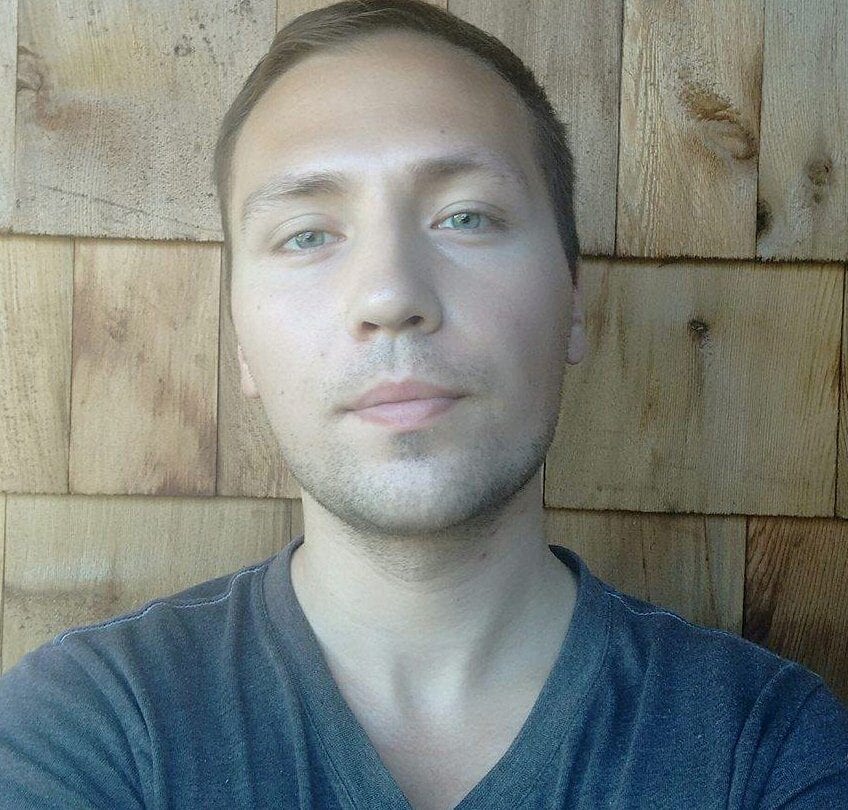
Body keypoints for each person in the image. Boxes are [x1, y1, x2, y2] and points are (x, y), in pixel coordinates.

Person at [1, 0, 846, 807]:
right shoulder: (85, 734)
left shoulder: (769, 752)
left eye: (466, 217)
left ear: (573, 303)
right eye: (307, 234)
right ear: (241, 342)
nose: (392, 294)